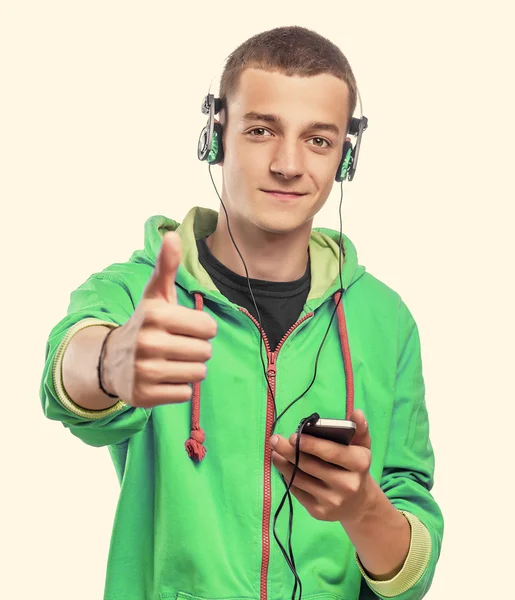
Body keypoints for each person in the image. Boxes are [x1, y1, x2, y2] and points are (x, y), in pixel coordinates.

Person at [40, 25, 444, 600]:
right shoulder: (138, 290)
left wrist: (363, 509)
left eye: (319, 140)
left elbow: (411, 573)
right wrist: (108, 363)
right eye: (261, 130)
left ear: (344, 159)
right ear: (216, 136)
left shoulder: (386, 319)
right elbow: (66, 371)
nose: (288, 164)